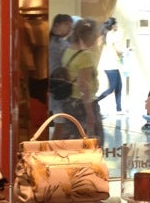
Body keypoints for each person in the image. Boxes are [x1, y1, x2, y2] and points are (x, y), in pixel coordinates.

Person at [61, 16, 103, 144]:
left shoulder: (68, 51)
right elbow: (84, 86)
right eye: (96, 35)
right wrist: (90, 113)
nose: (97, 38)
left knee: (73, 141)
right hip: (82, 105)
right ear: (90, 36)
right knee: (92, 143)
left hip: (69, 102)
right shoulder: (86, 56)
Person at [47, 13, 74, 139]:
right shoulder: (60, 44)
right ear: (57, 25)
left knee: (59, 122)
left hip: (53, 86)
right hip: (57, 87)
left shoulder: (59, 43)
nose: (70, 29)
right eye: (67, 25)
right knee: (60, 123)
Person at [95, 17, 125, 115]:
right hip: (111, 65)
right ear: (113, 26)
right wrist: (126, 50)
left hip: (111, 65)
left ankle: (119, 109)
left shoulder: (106, 35)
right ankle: (95, 101)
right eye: (116, 24)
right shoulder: (112, 35)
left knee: (119, 86)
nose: (117, 26)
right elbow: (118, 50)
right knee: (112, 88)